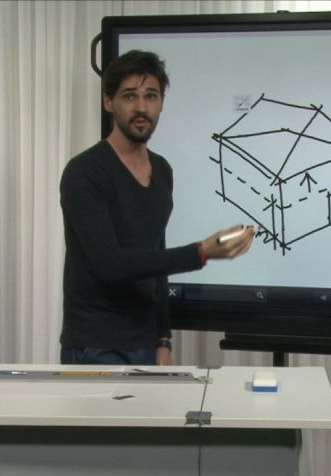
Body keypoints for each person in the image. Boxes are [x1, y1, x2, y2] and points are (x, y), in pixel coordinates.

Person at [59, 50, 254, 366]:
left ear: (161, 103)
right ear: (108, 102)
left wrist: (163, 340)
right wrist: (201, 252)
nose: (141, 107)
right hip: (93, 345)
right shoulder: (84, 172)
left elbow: (156, 259)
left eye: (150, 96)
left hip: (145, 343)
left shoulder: (162, 171)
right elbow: (110, 264)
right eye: (129, 96)